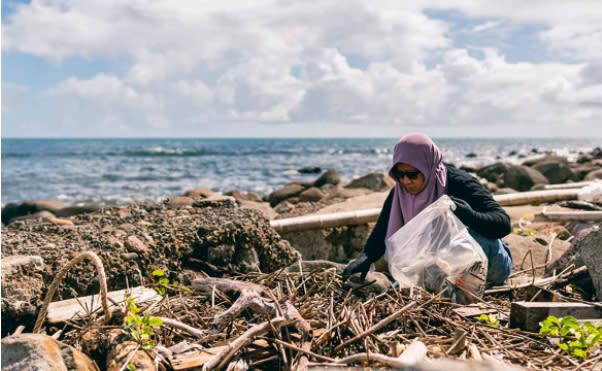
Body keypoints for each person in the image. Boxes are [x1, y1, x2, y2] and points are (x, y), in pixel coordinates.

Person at [342, 133, 512, 286]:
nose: (406, 181)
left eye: (412, 174)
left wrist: (468, 215)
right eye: (399, 175)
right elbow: (381, 231)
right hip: (443, 267)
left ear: (427, 166)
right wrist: (365, 258)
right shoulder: (400, 193)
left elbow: (503, 224)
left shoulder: (459, 183)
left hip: (489, 265)